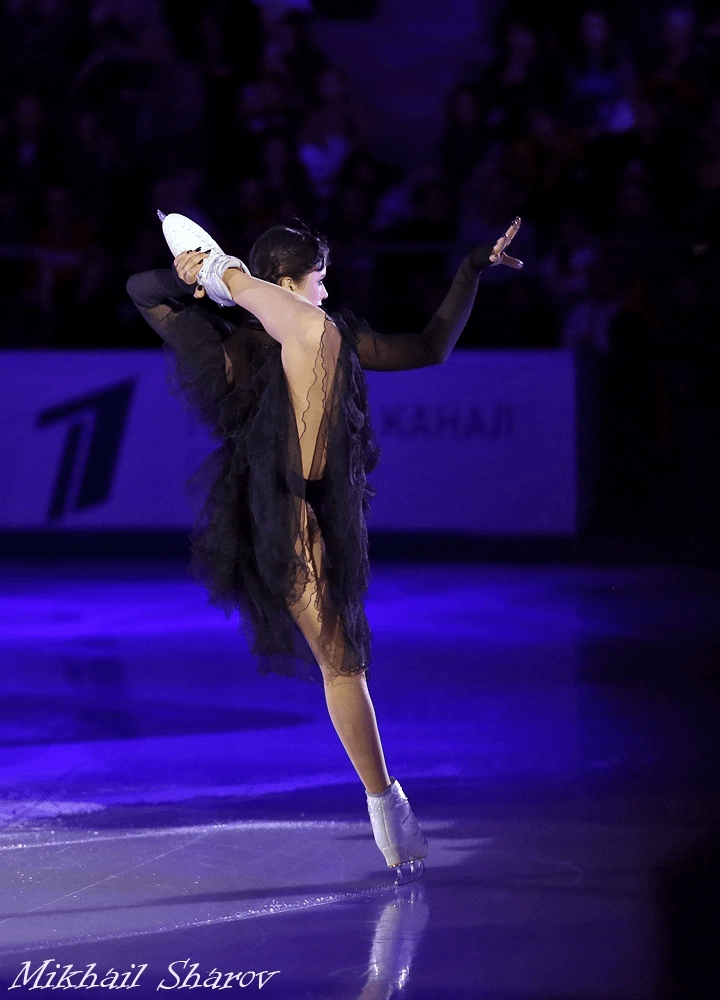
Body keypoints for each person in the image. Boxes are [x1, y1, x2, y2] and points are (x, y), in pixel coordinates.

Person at [126, 215, 522, 883]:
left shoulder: (330, 333)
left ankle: (384, 804)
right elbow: (142, 290)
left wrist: (470, 269)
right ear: (285, 284)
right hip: (277, 509)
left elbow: (430, 347)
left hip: (320, 507)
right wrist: (186, 274)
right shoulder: (238, 346)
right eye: (319, 278)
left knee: (344, 662)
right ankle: (385, 804)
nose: (327, 287)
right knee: (341, 660)